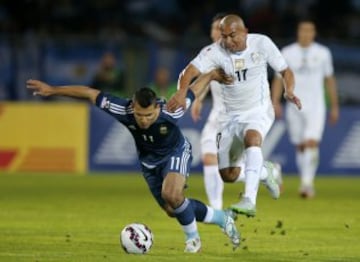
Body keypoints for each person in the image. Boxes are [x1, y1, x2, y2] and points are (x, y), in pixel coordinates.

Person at [26, 69, 240, 253]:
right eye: (139, 115)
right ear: (133, 107)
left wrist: (211, 75)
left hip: (176, 151)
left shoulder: (172, 109)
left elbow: (193, 90)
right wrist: (53, 90)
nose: (144, 120)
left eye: (148, 115)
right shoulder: (123, 109)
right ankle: (222, 218)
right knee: (171, 209)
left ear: (157, 107)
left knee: (172, 194)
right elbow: (90, 93)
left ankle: (192, 241)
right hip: (149, 162)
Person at [167, 14, 302, 217]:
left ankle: (249, 199)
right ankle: (267, 172)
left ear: (245, 31)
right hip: (228, 118)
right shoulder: (214, 52)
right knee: (228, 175)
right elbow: (188, 72)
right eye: (224, 36)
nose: (228, 41)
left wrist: (288, 90)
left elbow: (285, 71)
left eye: (233, 35)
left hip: (258, 111)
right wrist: (181, 92)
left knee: (252, 138)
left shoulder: (262, 43)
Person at [271, 20, 339, 198]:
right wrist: (275, 101)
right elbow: (279, 79)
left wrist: (334, 106)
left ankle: (307, 184)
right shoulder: (287, 52)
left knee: (311, 142)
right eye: (303, 30)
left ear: (314, 33)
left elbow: (329, 80)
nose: (306, 33)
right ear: (298, 32)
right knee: (301, 146)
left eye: (310, 30)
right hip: (294, 106)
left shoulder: (323, 53)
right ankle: (305, 180)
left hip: (316, 106)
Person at [189, 13, 227, 210]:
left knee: (232, 171)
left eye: (219, 28)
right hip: (217, 114)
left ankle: (267, 172)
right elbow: (205, 78)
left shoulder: (240, 52)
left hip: (239, 116)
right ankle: (217, 209)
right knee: (209, 156)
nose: (216, 32)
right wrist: (198, 99)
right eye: (214, 28)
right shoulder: (208, 52)